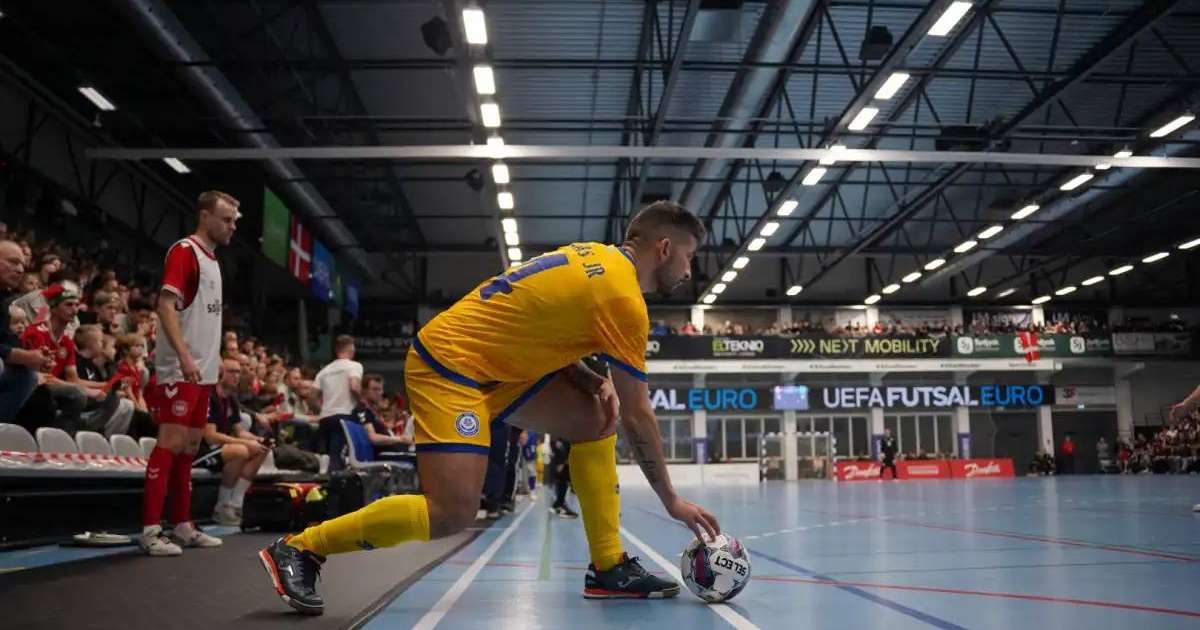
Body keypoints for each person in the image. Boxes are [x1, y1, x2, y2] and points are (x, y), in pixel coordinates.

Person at [259, 200, 720, 615]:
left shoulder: (595, 256)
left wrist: (582, 374)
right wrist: (672, 502)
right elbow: (640, 414)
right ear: (664, 248)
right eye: (689, 256)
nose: (689, 268)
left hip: (502, 368)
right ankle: (302, 547)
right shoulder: (624, 299)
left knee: (595, 418)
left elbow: (538, 319)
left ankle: (609, 566)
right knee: (452, 512)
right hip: (451, 363)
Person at [139, 190, 238, 556]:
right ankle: (150, 531)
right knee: (170, 444)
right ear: (204, 216)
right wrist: (183, 357)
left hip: (205, 372)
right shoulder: (185, 252)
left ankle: (182, 525)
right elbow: (165, 306)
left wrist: (215, 361)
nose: (232, 227)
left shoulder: (214, 262)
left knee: (190, 448)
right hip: (180, 368)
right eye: (226, 220)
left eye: (234, 221)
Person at [197, 357, 270, 526]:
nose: (236, 376)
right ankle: (221, 507)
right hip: (202, 450)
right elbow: (210, 436)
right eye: (232, 371)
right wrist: (246, 443)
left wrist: (258, 440)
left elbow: (239, 431)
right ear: (220, 373)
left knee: (262, 449)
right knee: (241, 451)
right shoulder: (210, 395)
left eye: (239, 372)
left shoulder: (231, 399)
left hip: (221, 448)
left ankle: (236, 504)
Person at [0, 240, 49, 420]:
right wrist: (22, 356)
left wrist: (34, 356)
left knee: (27, 376)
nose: (20, 270)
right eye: (13, 262)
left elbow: (5, 340)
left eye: (22, 264)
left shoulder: (4, 299)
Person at [309, 335, 363, 458]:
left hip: (325, 418)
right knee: (340, 457)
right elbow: (354, 386)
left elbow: (312, 397)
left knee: (327, 457)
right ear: (351, 349)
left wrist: (322, 410)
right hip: (345, 416)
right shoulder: (354, 366)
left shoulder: (324, 371)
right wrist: (360, 401)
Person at [548, 436, 578, 518]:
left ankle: (560, 503)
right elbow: (556, 441)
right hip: (562, 448)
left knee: (565, 479)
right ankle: (558, 505)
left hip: (567, 445)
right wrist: (561, 460)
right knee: (562, 478)